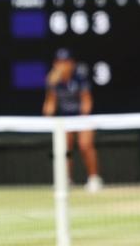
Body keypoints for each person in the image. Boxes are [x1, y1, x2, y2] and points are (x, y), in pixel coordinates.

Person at [42, 48, 102, 193]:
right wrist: (48, 114)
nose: (63, 65)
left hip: (82, 118)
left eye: (66, 62)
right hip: (64, 119)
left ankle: (94, 179)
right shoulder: (52, 80)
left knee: (84, 145)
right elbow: (50, 105)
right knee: (63, 148)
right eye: (60, 62)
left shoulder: (80, 78)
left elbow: (87, 102)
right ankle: (65, 180)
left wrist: (81, 122)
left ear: (72, 63)